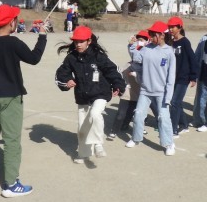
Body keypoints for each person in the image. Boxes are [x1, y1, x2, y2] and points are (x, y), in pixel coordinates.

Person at [0, 4, 46, 197]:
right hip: (11, 98)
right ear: (12, 23)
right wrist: (42, 37)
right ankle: (11, 184)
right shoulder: (14, 43)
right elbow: (34, 58)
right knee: (12, 140)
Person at [55, 26, 125, 163]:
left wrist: (118, 85)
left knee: (95, 114)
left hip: (100, 93)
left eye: (81, 41)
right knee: (82, 129)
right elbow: (61, 73)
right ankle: (84, 154)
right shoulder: (71, 58)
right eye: (76, 42)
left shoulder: (99, 56)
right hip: (82, 96)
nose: (78, 44)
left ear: (89, 41)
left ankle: (98, 144)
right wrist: (67, 81)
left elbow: (113, 71)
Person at [127, 21, 176, 155]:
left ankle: (169, 143)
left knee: (163, 118)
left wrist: (168, 97)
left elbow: (171, 77)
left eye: (154, 35)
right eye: (150, 34)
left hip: (162, 92)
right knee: (138, 114)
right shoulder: (146, 49)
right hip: (145, 90)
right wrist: (132, 46)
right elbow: (136, 59)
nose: (151, 37)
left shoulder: (169, 52)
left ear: (162, 35)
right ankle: (136, 138)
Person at [167, 17, 196, 136]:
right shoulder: (170, 42)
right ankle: (184, 125)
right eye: (169, 27)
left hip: (183, 77)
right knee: (176, 102)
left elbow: (192, 59)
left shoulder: (185, 42)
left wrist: (193, 77)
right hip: (172, 77)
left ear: (179, 28)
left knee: (174, 102)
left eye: (173, 27)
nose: (170, 29)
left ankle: (173, 129)